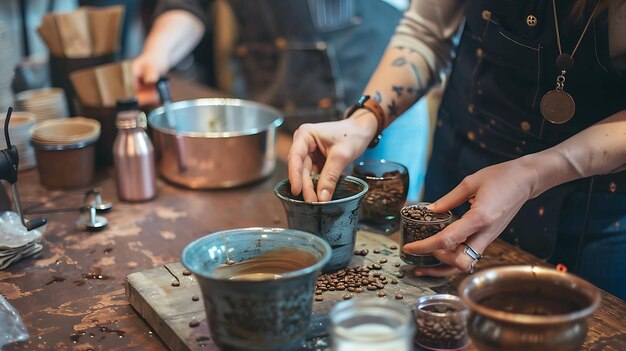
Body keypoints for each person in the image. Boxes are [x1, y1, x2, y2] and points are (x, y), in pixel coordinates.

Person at [287, 0, 626, 299]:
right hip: (464, 168)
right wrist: (366, 118)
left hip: (596, 208)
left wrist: (534, 172)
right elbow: (427, 31)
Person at [133, 0, 429, 200]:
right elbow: (187, 4)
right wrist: (158, 53)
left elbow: (427, 35)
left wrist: (367, 117)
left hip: (381, 97)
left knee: (384, 222)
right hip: (282, 103)